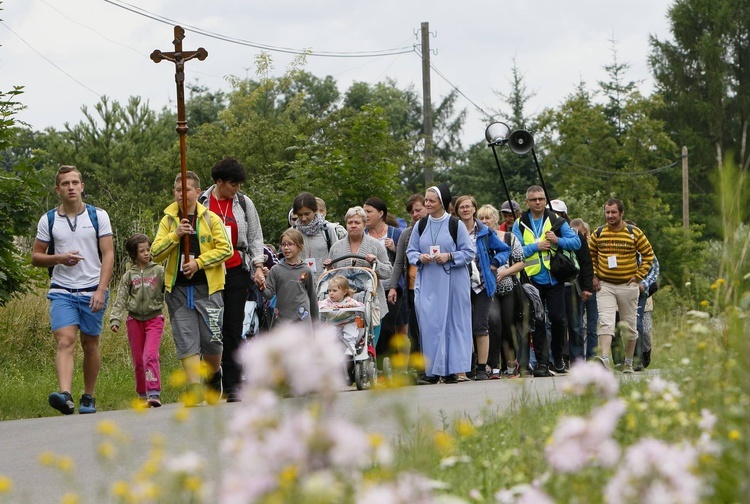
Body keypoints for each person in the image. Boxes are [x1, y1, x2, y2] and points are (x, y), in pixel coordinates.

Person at [31, 165, 115, 415]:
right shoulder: (49, 219)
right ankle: (65, 395)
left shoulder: (98, 215)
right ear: (58, 189)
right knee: (65, 341)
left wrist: (101, 290)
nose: (71, 187)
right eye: (65, 184)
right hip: (62, 290)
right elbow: (36, 256)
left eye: (75, 183)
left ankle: (88, 396)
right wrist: (59, 258)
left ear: (82, 186)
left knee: (90, 344)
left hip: (92, 289)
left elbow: (109, 254)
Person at [152, 170, 233, 405]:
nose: (181, 194)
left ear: (197, 192)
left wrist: (198, 263)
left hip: (208, 289)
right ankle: (195, 386)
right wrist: (175, 235)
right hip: (178, 290)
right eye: (178, 190)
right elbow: (156, 253)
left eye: (186, 189)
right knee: (186, 338)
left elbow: (226, 249)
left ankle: (214, 374)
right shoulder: (168, 221)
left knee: (212, 339)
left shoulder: (211, 219)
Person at [198, 157, 266, 402]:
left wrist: (258, 266)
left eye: (239, 184)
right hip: (208, 273)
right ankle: (210, 380)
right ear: (218, 181)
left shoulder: (245, 204)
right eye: (232, 184)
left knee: (233, 328)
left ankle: (234, 385)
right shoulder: (201, 203)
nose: (237, 188)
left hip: (237, 270)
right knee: (210, 329)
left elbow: (256, 236)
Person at [407, 183, 475, 384]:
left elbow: (469, 252)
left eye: (431, 201)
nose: (427, 204)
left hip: (453, 280)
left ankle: (452, 370)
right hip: (430, 281)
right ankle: (432, 370)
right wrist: (421, 257)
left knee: (453, 323)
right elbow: (411, 251)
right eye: (426, 200)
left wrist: (450, 256)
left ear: (441, 203)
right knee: (431, 324)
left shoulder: (456, 224)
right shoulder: (420, 225)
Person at [512, 186, 580, 377]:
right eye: (534, 199)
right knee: (539, 322)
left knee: (558, 319)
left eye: (541, 199)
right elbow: (516, 251)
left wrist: (557, 240)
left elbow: (576, 242)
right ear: (527, 202)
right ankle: (542, 363)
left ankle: (558, 357)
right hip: (531, 279)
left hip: (554, 278)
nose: (538, 202)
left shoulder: (556, 220)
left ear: (545, 200)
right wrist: (535, 246)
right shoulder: (520, 223)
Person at [589, 198, 654, 373]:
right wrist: (594, 275)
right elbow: (590, 255)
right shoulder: (599, 233)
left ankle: (628, 362)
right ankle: (604, 358)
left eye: (613, 212)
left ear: (621, 213)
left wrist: (639, 276)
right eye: (607, 212)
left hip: (628, 286)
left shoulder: (634, 233)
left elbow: (648, 255)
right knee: (606, 321)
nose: (610, 216)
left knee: (630, 326)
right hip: (605, 285)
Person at [455, 196, 510, 381]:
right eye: (461, 207)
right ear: (457, 211)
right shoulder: (453, 230)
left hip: (483, 283)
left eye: (468, 206)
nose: (465, 210)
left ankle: (481, 368)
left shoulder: (485, 231)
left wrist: (495, 263)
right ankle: (466, 366)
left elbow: (504, 250)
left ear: (474, 209)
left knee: (480, 325)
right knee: (462, 326)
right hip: (459, 284)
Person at [109, 233, 165, 407]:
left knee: (150, 355)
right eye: (142, 251)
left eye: (148, 249)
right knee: (139, 360)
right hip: (134, 320)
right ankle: (142, 395)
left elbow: (170, 289)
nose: (147, 253)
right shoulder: (129, 276)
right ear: (134, 254)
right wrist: (115, 319)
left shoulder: (159, 271)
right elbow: (121, 299)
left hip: (154, 318)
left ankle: (154, 392)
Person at [323, 206, 392, 342]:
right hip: (342, 304)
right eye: (350, 223)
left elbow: (388, 272)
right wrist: (329, 267)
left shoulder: (376, 245)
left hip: (369, 301)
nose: (353, 226)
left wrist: (376, 263)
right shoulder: (336, 247)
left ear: (365, 224)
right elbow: (332, 276)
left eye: (357, 222)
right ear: (346, 224)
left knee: (369, 342)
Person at [477, 204, 526, 378]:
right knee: (493, 322)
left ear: (495, 219)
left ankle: (511, 363)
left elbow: (521, 262)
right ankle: (493, 364)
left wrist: (504, 272)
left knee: (508, 324)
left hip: (508, 287)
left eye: (487, 218)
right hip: (487, 290)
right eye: (481, 218)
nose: (484, 221)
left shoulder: (508, 237)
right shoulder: (477, 239)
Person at [550, 200, 594, 367]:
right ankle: (557, 359)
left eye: (559, 214)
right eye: (553, 214)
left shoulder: (576, 235)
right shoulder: (544, 234)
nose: (556, 218)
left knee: (575, 325)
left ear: (564, 216)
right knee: (555, 323)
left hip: (572, 285)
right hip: (552, 285)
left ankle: (577, 362)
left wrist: (587, 287)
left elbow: (586, 261)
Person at [387, 194, 426, 360]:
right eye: (411, 212)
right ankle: (420, 368)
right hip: (411, 288)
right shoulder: (407, 234)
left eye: (418, 210)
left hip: (432, 287)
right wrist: (393, 286)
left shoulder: (436, 231)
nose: (415, 214)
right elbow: (398, 263)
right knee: (414, 329)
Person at [363, 197, 404, 356]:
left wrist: (394, 249)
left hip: (391, 288)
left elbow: (406, 260)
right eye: (364, 211)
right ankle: (377, 366)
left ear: (381, 213)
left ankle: (389, 369)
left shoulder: (395, 233)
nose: (365, 215)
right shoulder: (363, 234)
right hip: (370, 289)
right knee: (374, 326)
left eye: (369, 211)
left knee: (388, 327)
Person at [262, 228, 318, 327]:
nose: (286, 248)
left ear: (300, 246)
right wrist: (261, 286)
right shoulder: (276, 270)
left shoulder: (306, 270)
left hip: (302, 320)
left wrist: (316, 324)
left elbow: (312, 297)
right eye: (283, 244)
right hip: (282, 320)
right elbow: (269, 294)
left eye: (290, 244)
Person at [292, 192, 341, 280]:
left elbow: (337, 255)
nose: (303, 218)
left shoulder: (328, 229)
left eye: (307, 214)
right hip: (301, 281)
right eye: (300, 215)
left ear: (315, 211)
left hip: (326, 280)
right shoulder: (293, 232)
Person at [570, 218, 598, 360]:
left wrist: (596, 277)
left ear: (585, 231)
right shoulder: (572, 244)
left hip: (593, 287)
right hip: (578, 287)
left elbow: (596, 262)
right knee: (578, 324)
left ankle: (592, 357)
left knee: (592, 325)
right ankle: (578, 358)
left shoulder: (594, 243)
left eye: (580, 232)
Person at [318, 275, 365, 353]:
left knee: (350, 329)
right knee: (329, 332)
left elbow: (362, 306)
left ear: (344, 291)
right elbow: (319, 304)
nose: (331, 293)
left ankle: (350, 347)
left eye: (334, 291)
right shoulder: (328, 301)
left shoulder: (348, 300)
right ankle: (330, 349)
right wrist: (328, 308)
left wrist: (353, 305)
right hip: (332, 324)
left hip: (347, 323)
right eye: (329, 291)